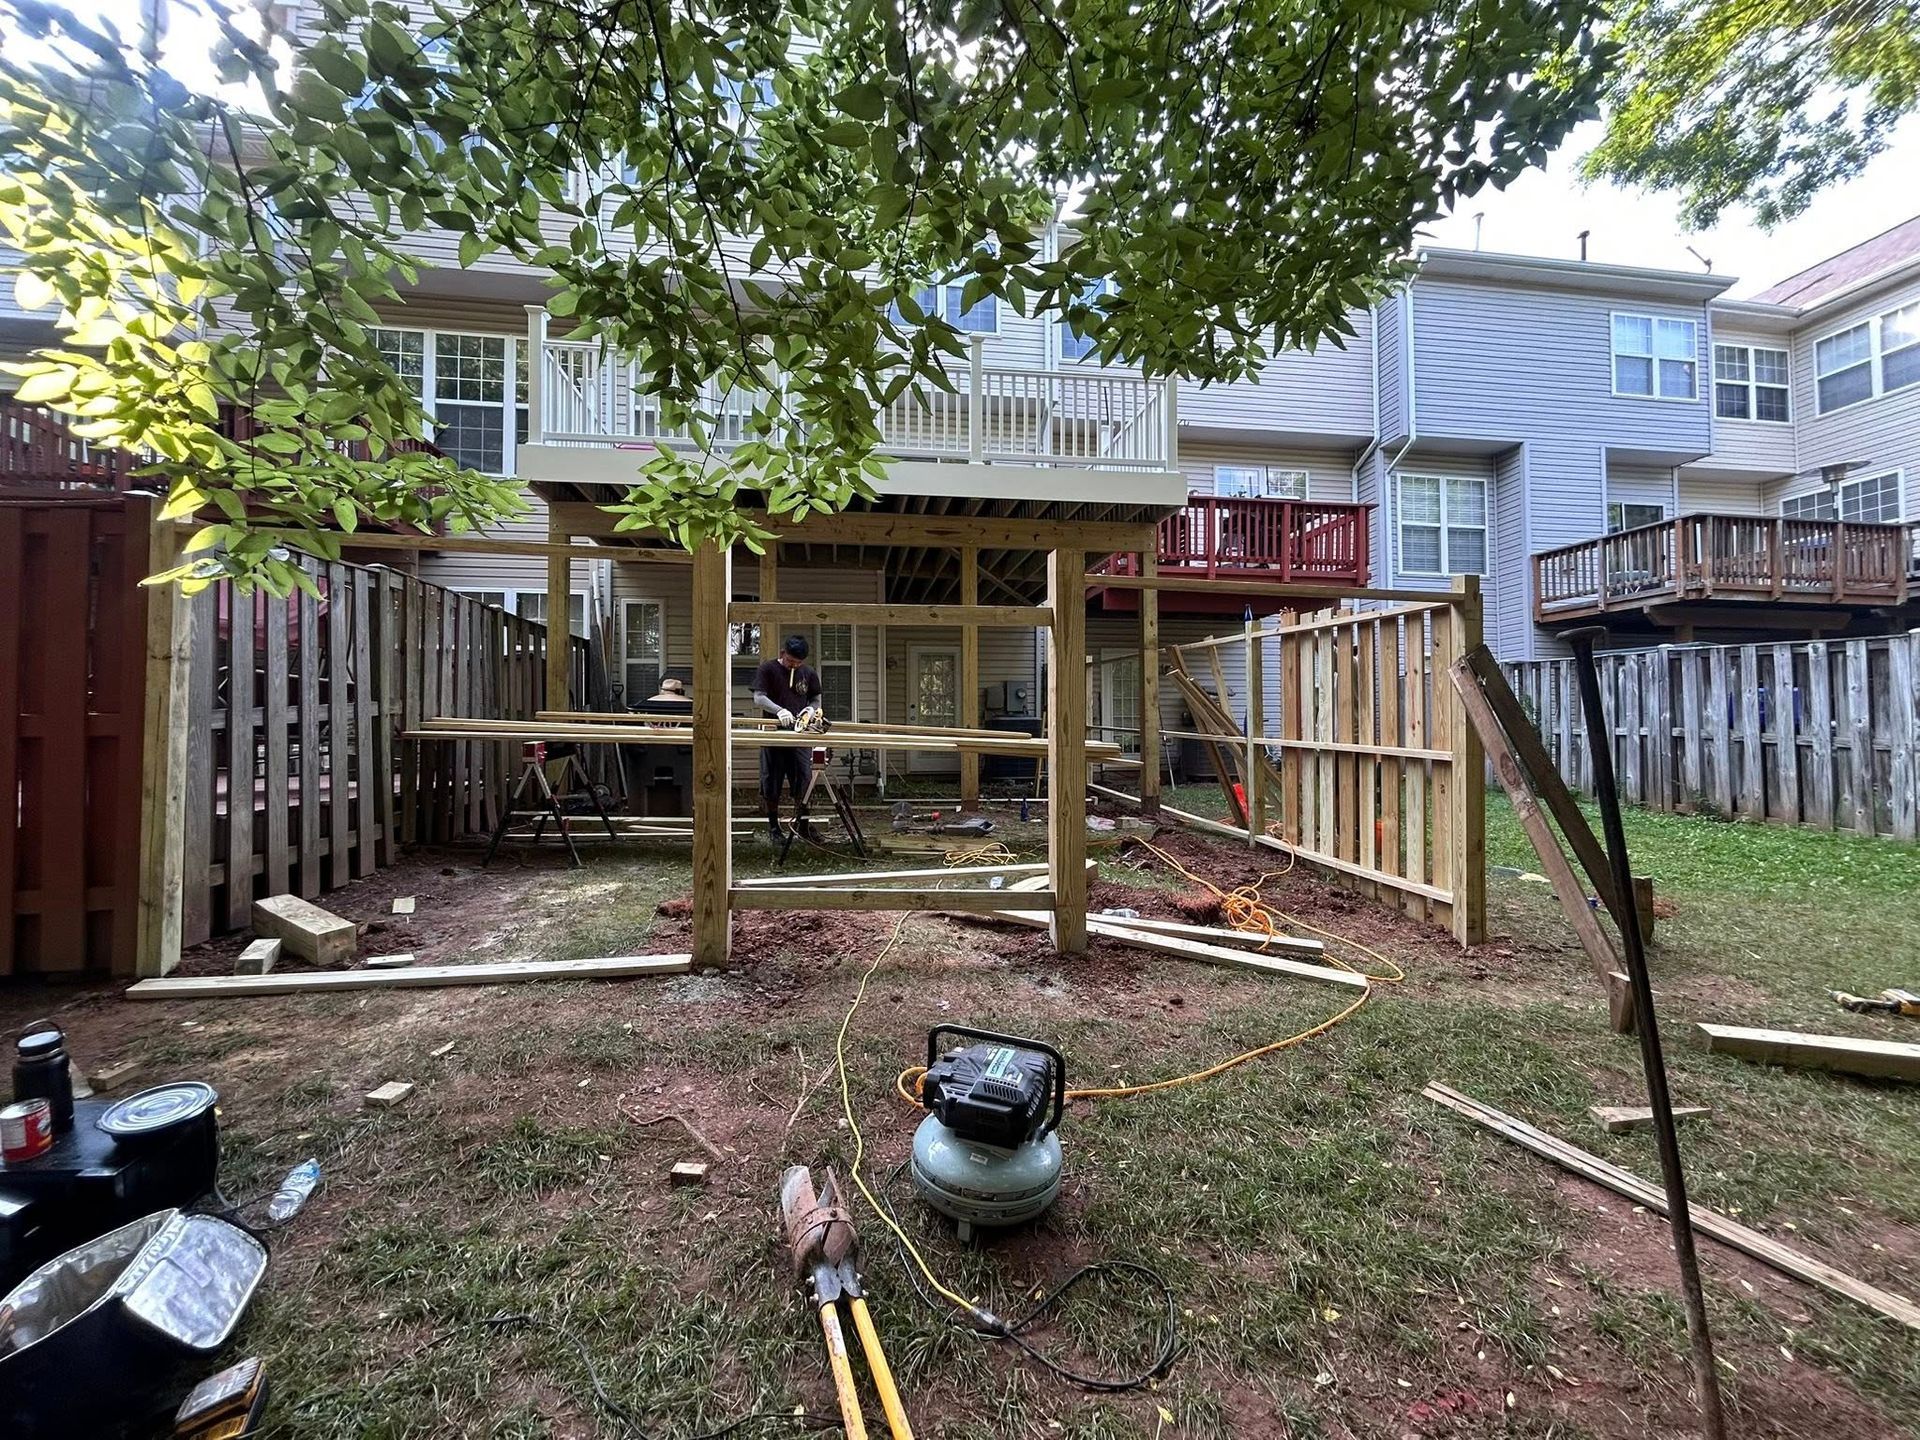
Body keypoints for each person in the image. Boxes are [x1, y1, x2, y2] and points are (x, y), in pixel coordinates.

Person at [752, 634, 824, 844]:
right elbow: (758, 697)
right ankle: (774, 828)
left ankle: (802, 825)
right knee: (771, 781)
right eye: (790, 661)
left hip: (800, 735)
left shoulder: (808, 673)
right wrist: (779, 710)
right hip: (774, 734)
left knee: (803, 780)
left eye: (798, 662)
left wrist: (810, 710)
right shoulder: (768, 669)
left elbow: (815, 699)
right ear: (783, 654)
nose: (793, 666)